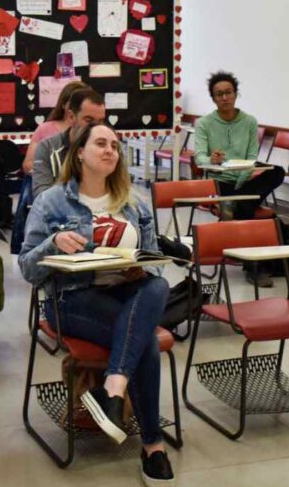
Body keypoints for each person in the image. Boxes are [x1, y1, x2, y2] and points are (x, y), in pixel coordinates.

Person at [19, 124, 175, 486]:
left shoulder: (132, 199)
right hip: (73, 300)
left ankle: (113, 388)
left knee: (158, 284)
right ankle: (152, 444)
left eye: (115, 146)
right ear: (80, 154)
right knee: (145, 341)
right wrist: (54, 242)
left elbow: (151, 257)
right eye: (101, 144)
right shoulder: (52, 201)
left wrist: (140, 268)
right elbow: (28, 268)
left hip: (127, 294)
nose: (110, 151)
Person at [193, 71, 285, 219]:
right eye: (219, 94)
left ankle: (235, 204)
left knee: (278, 172)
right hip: (219, 181)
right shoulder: (204, 123)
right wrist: (211, 160)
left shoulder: (250, 121)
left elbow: (252, 156)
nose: (225, 98)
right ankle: (239, 205)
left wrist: (241, 181)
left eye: (228, 92)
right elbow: (199, 157)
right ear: (213, 99)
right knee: (246, 203)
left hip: (245, 180)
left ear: (235, 94)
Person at [31, 86, 106, 197]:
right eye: (88, 120)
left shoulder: (110, 149)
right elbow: (41, 196)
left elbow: (120, 190)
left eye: (101, 121)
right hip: (60, 213)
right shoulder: (47, 148)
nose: (95, 127)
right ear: (71, 117)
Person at [22, 80, 88, 174]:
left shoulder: (91, 129)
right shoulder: (45, 129)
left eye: (82, 103)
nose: (78, 107)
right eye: (74, 102)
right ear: (64, 104)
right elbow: (28, 165)